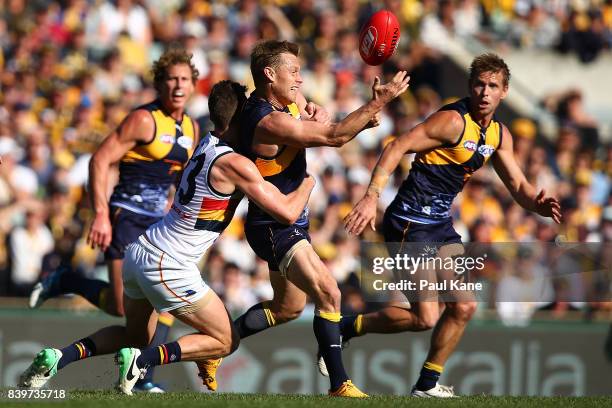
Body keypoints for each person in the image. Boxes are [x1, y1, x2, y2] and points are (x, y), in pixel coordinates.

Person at [19, 80, 316, 396]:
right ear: (240, 118)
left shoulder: (206, 143)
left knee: (134, 335)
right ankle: (142, 362)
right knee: (226, 340)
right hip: (169, 263)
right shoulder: (234, 163)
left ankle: (58, 357)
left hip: (141, 250)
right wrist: (308, 183)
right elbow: (286, 212)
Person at [339, 53, 561, 397]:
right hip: (409, 221)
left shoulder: (499, 135)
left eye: (493, 86)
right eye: (479, 84)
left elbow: (518, 186)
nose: (485, 92)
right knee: (425, 317)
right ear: (470, 87)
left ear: (504, 92)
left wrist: (537, 204)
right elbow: (397, 146)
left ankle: (425, 385)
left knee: (465, 305)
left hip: (440, 223)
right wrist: (371, 197)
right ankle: (347, 327)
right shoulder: (452, 121)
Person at [198, 40, 409, 397]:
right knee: (330, 292)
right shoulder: (267, 121)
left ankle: (218, 347)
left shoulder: (280, 101)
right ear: (269, 75)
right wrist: (379, 101)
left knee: (287, 308)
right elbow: (334, 136)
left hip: (287, 220)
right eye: (292, 71)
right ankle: (340, 385)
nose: (299, 78)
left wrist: (320, 112)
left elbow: (322, 121)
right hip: (274, 225)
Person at [28, 48, 201, 392]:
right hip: (126, 217)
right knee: (124, 307)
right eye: (171, 79)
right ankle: (69, 281)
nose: (178, 86)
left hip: (158, 225)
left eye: (185, 79)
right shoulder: (143, 119)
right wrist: (101, 215)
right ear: (159, 83)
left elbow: (180, 180)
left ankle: (143, 379)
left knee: (151, 307)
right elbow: (100, 160)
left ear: (193, 84)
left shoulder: (192, 127)